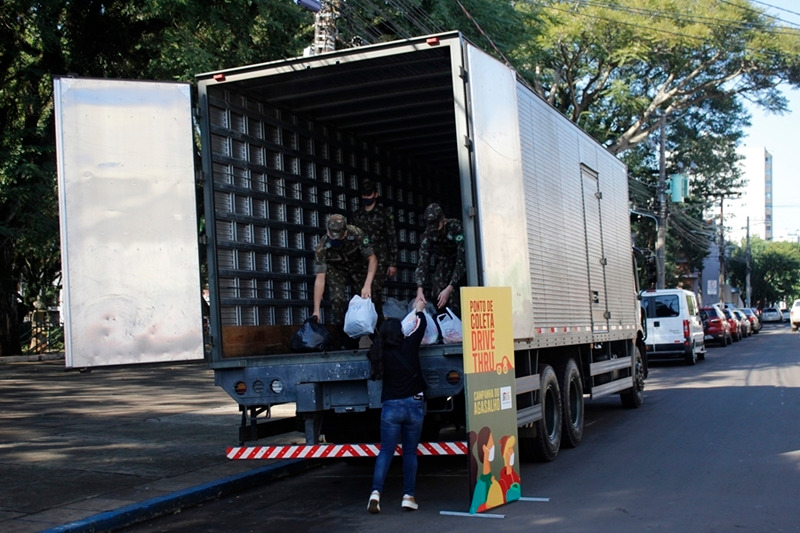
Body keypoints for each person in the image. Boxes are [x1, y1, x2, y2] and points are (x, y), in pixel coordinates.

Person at [367, 297, 427, 514]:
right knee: (410, 452)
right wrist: (418, 311)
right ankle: (408, 496)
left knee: (386, 451)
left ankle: (375, 493)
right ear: (400, 332)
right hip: (414, 405)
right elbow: (422, 327)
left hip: (391, 407)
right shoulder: (410, 346)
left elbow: (372, 336)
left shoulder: (379, 354)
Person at [312, 214, 378, 349]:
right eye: (333, 237)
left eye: (340, 237)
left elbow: (373, 259)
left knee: (369, 298)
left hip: (358, 266)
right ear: (327, 232)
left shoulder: (357, 233)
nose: (336, 240)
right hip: (337, 270)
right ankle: (345, 342)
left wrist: (367, 285)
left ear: (346, 232)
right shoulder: (322, 247)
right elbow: (320, 278)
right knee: (337, 300)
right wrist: (316, 310)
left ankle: (378, 338)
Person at [351, 179, 398, 325]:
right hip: (361, 260)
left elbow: (392, 237)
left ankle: (377, 328)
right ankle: (367, 326)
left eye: (369, 195)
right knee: (360, 293)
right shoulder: (357, 215)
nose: (366, 198)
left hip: (380, 258)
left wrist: (393, 263)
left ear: (375, 195)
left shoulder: (384, 213)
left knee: (374, 292)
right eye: (364, 195)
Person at [415, 203, 466, 316]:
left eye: (437, 227)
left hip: (459, 261)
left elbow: (462, 258)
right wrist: (420, 290)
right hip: (444, 261)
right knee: (437, 292)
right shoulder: (428, 234)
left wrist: (450, 288)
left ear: (444, 220)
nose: (435, 232)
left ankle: (458, 322)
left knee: (455, 296)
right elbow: (423, 262)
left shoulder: (455, 226)